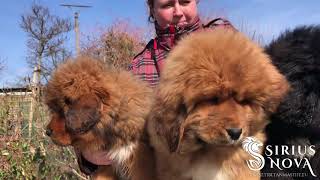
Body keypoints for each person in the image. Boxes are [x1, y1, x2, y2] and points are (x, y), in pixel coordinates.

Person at [129, 0, 234, 87]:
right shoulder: (139, 67)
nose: (178, 12)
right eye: (167, 5)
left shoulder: (226, 37)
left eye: (185, 2)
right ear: (153, 10)